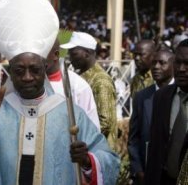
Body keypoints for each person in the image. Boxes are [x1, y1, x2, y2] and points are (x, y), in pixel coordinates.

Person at [0, 0, 119, 185]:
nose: (28, 77)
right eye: (19, 71)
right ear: (10, 73)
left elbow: (108, 159)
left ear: (45, 68)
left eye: (35, 69)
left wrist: (87, 161)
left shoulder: (68, 112)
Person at [60, 31, 117, 149]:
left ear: (87, 53)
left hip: (97, 152)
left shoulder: (100, 81)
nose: (70, 58)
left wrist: (79, 139)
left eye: (74, 54)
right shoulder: (81, 77)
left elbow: (104, 123)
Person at [128, 49, 175, 185]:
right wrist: (138, 170)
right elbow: (134, 139)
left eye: (162, 63)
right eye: (154, 63)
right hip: (147, 174)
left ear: (173, 65)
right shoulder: (142, 97)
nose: (156, 67)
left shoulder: (180, 94)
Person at [145, 39, 188, 185]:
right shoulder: (161, 96)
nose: (182, 69)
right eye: (178, 62)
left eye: (187, 63)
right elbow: (155, 147)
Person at [46, 39, 100, 130]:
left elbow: (92, 129)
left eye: (74, 54)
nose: (70, 58)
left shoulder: (79, 86)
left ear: (56, 55)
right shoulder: (26, 82)